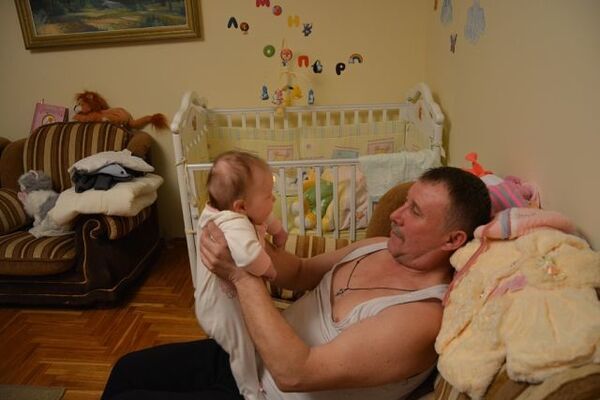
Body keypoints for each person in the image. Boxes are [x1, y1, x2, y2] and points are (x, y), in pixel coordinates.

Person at [102, 166, 491, 400]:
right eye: (405, 202)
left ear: (452, 240)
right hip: (247, 356)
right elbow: (302, 271)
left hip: (267, 391)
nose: (395, 215)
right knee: (127, 370)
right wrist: (249, 238)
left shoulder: (419, 317)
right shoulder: (377, 247)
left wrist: (240, 274)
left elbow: (295, 374)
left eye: (415, 211)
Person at [197, 151, 288, 400]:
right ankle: (250, 392)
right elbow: (249, 257)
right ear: (241, 207)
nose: (273, 199)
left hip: (229, 301)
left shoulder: (238, 210)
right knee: (242, 347)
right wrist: (270, 270)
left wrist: (278, 231)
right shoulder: (232, 223)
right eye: (268, 195)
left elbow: (265, 215)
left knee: (253, 332)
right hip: (219, 309)